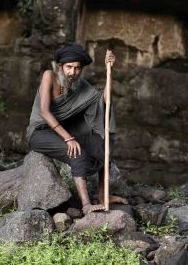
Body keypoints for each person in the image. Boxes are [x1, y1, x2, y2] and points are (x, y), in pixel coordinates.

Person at [26, 42, 127, 215]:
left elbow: (102, 101)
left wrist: (109, 71)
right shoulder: (49, 76)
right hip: (41, 131)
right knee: (77, 152)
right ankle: (86, 205)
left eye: (77, 68)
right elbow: (44, 111)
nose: (73, 72)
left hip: (65, 128)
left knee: (102, 147)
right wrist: (69, 138)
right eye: (69, 67)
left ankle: (103, 196)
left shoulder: (79, 84)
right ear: (60, 66)